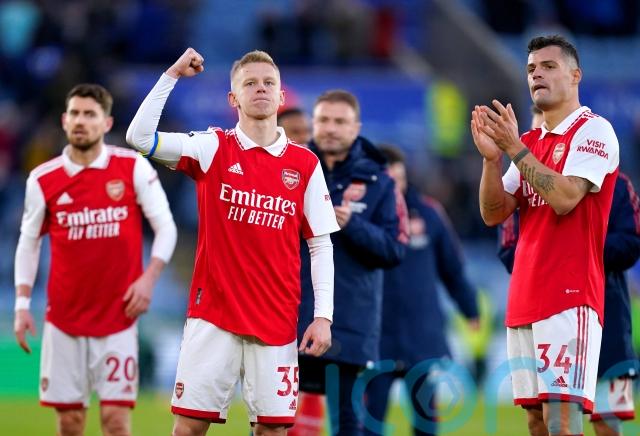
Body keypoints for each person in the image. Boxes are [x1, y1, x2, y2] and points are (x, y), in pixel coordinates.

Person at [126, 48, 340, 436]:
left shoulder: (305, 164)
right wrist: (172, 74)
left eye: (269, 83)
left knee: (272, 431)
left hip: (276, 320)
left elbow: (321, 245)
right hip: (213, 316)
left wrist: (323, 316)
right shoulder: (213, 147)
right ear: (233, 98)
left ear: (280, 96)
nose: (261, 89)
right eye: (250, 83)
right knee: (189, 428)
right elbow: (139, 137)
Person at [470, 34, 620, 435]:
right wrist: (491, 160)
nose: (537, 74)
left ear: (575, 75)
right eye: (531, 69)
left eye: (549, 66)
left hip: (569, 296)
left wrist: (514, 149)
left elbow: (566, 198)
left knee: (561, 420)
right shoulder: (530, 142)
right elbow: (493, 213)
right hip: (525, 294)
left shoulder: (594, 131)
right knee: (536, 421)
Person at [13, 83, 177, 436]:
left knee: (116, 421)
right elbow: (28, 242)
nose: (81, 121)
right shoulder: (43, 179)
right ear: (64, 120)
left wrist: (149, 279)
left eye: (90, 114)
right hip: (64, 320)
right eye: (75, 113)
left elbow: (166, 227)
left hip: (119, 318)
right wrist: (22, 304)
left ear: (106, 123)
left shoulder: (131, 167)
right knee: (70, 423)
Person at [498, 106, 640, 436]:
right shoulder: (520, 180)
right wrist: (547, 253)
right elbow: (507, 248)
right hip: (540, 304)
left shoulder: (616, 184)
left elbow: (632, 242)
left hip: (607, 314)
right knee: (541, 418)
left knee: (607, 421)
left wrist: (577, 250)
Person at [296, 90, 406, 436]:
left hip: (349, 326)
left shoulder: (380, 183)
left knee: (347, 423)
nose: (330, 128)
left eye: (340, 121)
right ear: (313, 124)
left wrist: (353, 225)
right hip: (289, 317)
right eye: (323, 120)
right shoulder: (290, 170)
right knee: (270, 418)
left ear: (356, 127)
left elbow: (394, 250)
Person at [363, 145, 479, 436]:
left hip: (421, 337)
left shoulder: (429, 214)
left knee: (426, 423)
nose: (394, 187)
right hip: (376, 338)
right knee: (369, 424)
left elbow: (452, 268)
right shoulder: (358, 217)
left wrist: (470, 308)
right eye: (387, 180)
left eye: (399, 179)